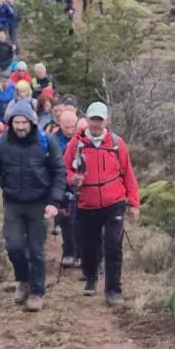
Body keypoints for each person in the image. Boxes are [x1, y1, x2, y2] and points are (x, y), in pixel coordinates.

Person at [0, 99, 66, 312]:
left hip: (39, 203)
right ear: (11, 123)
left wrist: (54, 202)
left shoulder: (46, 141)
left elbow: (59, 172)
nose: (20, 127)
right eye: (16, 122)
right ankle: (23, 280)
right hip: (13, 203)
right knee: (13, 246)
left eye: (24, 122)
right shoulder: (1, 143)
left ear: (32, 122)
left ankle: (36, 292)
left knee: (36, 250)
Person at [63, 101, 141, 305]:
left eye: (100, 120)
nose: (96, 124)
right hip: (87, 204)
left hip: (114, 202)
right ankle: (91, 276)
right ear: (87, 119)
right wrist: (73, 179)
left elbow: (128, 173)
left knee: (113, 245)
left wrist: (134, 203)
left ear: (107, 121)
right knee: (89, 247)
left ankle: (113, 290)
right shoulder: (76, 144)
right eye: (93, 119)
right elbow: (65, 169)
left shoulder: (116, 143)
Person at [46, 102, 83, 270]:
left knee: (80, 220)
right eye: (67, 127)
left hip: (79, 183)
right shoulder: (52, 139)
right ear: (60, 124)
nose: (70, 130)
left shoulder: (82, 139)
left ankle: (80, 253)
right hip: (60, 183)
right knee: (65, 218)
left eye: (73, 127)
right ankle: (68, 251)